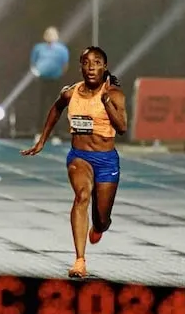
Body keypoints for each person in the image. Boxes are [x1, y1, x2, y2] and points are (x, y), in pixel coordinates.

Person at [21, 46, 128, 280]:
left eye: (97, 63)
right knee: (81, 196)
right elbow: (56, 109)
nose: (91, 67)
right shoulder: (71, 93)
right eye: (86, 63)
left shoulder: (115, 94)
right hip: (79, 157)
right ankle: (79, 261)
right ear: (80, 66)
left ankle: (98, 227)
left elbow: (122, 128)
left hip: (107, 160)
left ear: (105, 67)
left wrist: (106, 101)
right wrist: (42, 141)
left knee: (102, 218)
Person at [28, 26, 69, 132]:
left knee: (57, 106)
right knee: (41, 106)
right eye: (48, 34)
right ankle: (39, 132)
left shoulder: (62, 49)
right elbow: (33, 63)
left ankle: (56, 134)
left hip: (56, 80)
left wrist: (57, 74)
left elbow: (65, 65)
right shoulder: (38, 48)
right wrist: (36, 73)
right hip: (43, 80)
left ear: (57, 36)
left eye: (53, 34)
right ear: (45, 36)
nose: (50, 36)